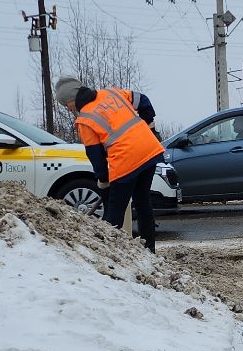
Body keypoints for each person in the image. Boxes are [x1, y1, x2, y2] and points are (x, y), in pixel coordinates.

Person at [54, 75, 164, 251]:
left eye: (66, 105)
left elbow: (95, 155)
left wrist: (103, 181)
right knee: (143, 202)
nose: (67, 109)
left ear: (72, 100)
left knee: (114, 212)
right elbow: (143, 100)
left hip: (126, 161)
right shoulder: (111, 93)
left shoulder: (85, 119)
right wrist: (149, 126)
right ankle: (149, 250)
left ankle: (107, 253)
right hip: (150, 151)